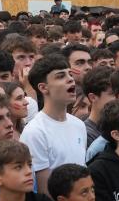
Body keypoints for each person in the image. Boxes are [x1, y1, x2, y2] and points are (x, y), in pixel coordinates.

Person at [22, 56, 88, 190]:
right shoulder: (35, 132)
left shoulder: (79, 125)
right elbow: (44, 190)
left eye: (70, 74)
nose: (70, 79)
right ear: (43, 88)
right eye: (60, 76)